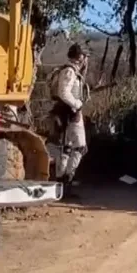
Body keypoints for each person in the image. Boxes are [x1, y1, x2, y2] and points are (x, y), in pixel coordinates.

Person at [49, 43, 91, 197]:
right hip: (70, 113)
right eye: (85, 56)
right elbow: (64, 93)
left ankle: (63, 185)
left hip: (68, 113)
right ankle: (65, 181)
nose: (86, 59)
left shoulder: (72, 71)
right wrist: (77, 104)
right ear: (80, 56)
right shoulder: (69, 71)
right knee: (78, 147)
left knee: (67, 147)